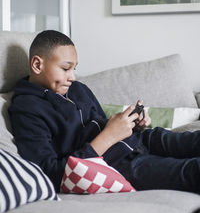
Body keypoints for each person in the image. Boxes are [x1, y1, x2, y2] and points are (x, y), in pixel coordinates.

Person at [9, 30, 200, 193]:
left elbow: (101, 123)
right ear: (37, 65)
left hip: (140, 140)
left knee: (193, 140)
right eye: (66, 68)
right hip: (118, 165)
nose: (73, 77)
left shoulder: (78, 89)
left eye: (74, 68)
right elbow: (48, 171)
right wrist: (109, 136)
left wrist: (132, 124)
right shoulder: (26, 109)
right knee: (191, 172)